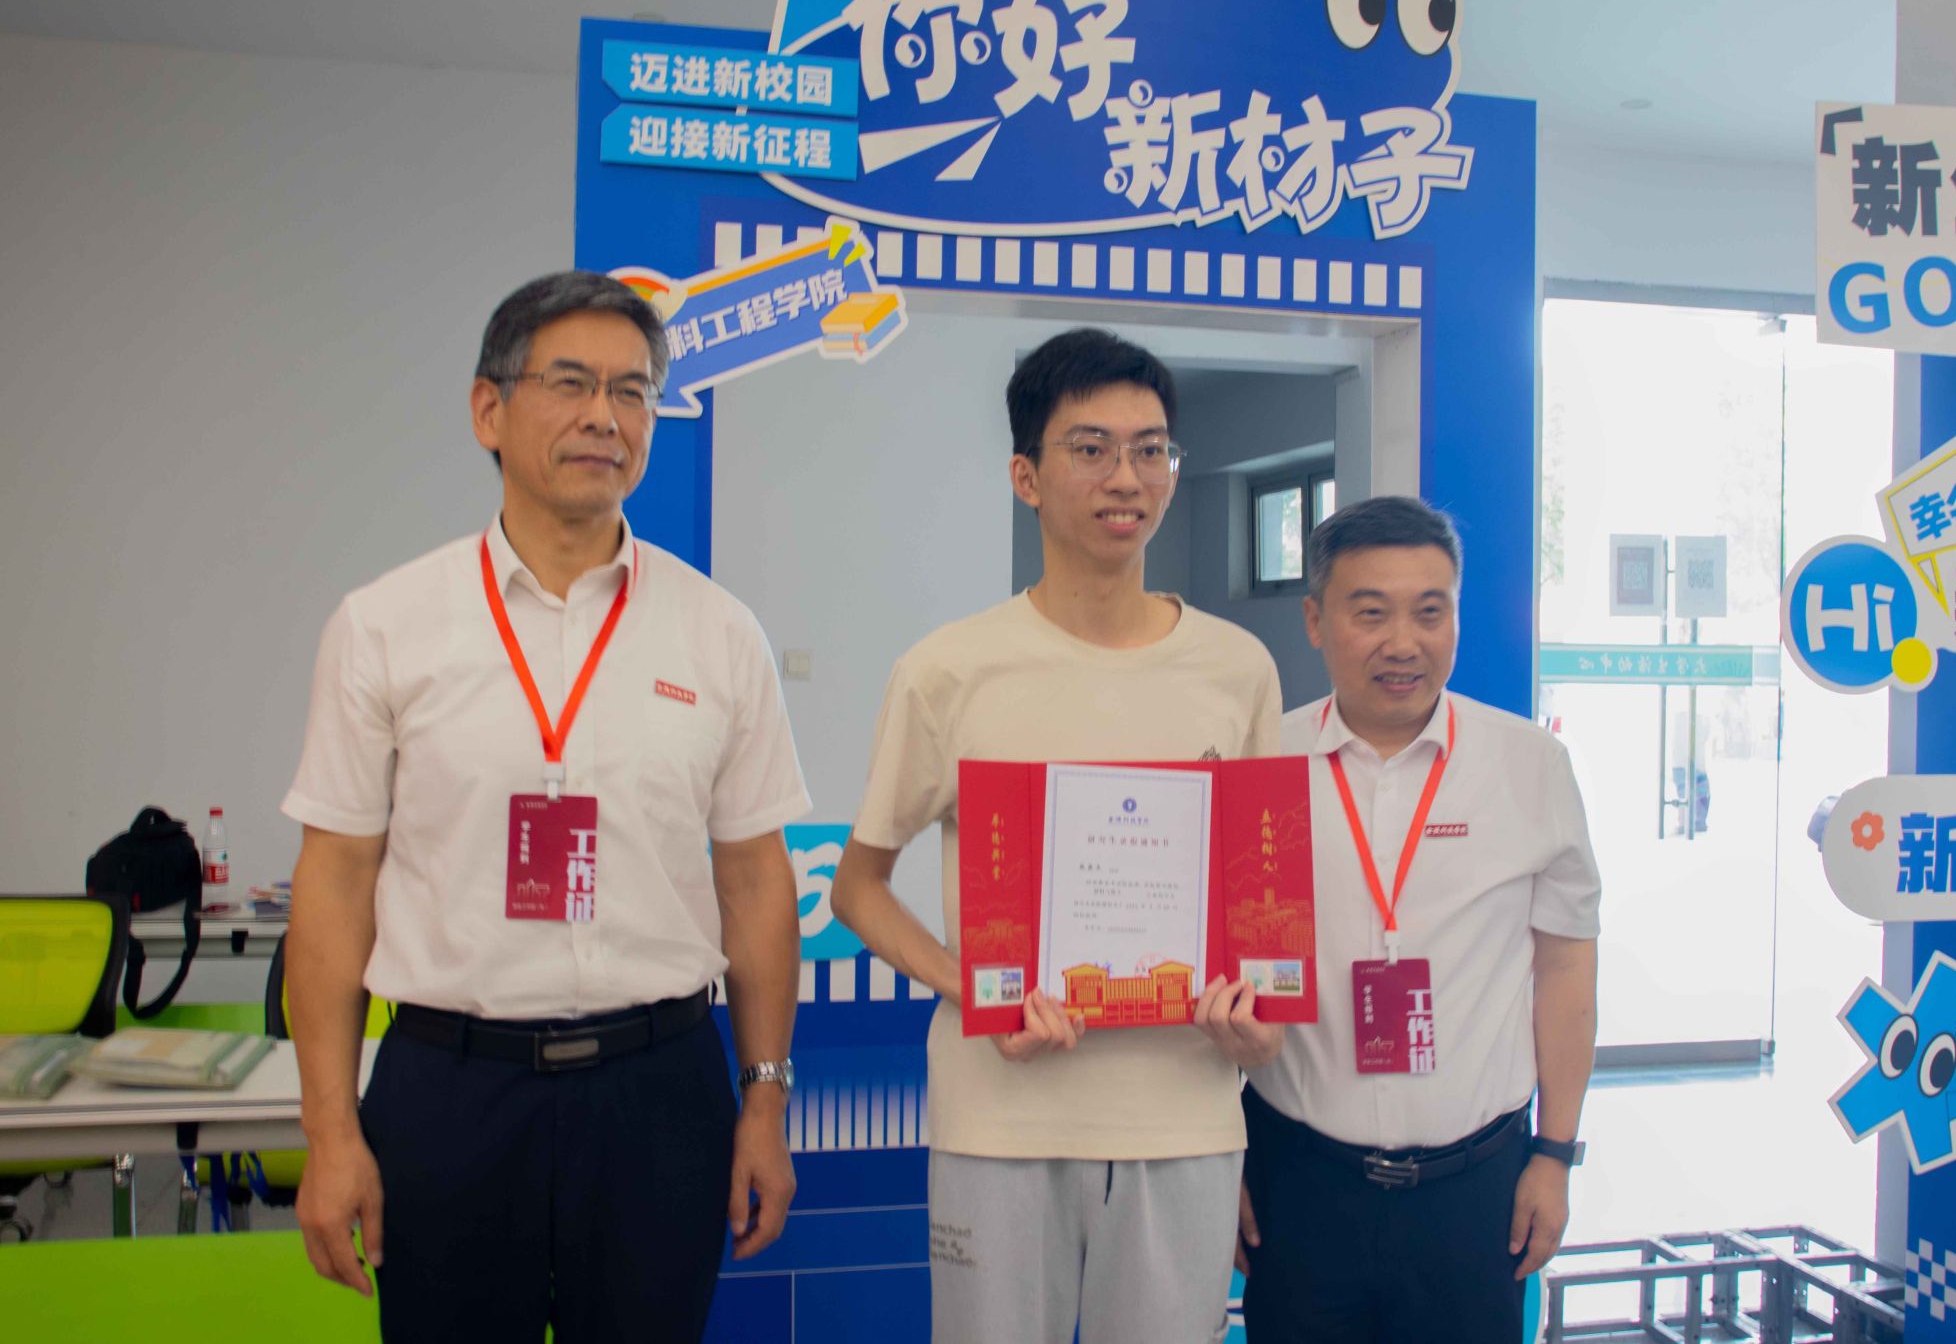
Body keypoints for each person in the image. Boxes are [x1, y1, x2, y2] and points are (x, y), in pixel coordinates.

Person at [282, 271, 810, 1342]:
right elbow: (334, 882)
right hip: (450, 1092)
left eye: (632, 391)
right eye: (569, 383)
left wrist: (763, 1096)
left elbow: (756, 878)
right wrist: (329, 1130)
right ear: (489, 409)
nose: (603, 417)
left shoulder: (718, 632)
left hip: (659, 1091)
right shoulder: (385, 626)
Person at [830, 328, 1287, 1343]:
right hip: (1001, 1118)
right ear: (1025, 477)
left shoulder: (1238, 669)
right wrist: (978, 990)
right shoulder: (949, 670)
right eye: (1090, 448)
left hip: (1184, 1118)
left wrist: (1260, 1021)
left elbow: (1261, 899)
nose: (1126, 477)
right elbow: (856, 888)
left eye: (1151, 449)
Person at [1238, 496, 1601, 1343]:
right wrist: (1225, 1161)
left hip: (1475, 1192)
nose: (1404, 642)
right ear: (1316, 620)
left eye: (1430, 612)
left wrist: (1556, 1153)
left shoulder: (1530, 766)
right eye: (1371, 613)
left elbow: (1565, 969)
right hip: (1300, 1180)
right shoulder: (1261, 765)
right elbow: (1221, 974)